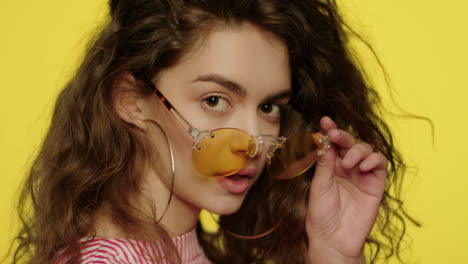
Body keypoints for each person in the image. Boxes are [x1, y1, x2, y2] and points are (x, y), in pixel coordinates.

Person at [11, 0, 419, 263]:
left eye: (269, 107)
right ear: (130, 101)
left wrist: (333, 251)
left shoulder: (186, 249)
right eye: (214, 100)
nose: (253, 142)